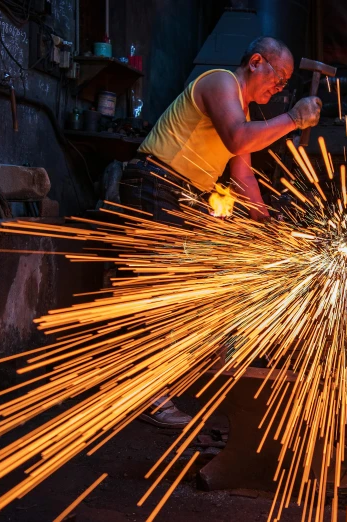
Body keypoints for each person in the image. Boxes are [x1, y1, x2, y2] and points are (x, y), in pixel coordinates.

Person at [120, 36, 322, 428]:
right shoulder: (219, 83)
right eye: (278, 79)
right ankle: (146, 394)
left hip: (179, 194)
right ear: (256, 61)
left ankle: (154, 385)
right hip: (155, 183)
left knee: (181, 290)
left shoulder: (242, 108)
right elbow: (236, 138)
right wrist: (293, 118)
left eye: (283, 86)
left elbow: (242, 173)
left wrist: (267, 224)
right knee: (159, 294)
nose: (278, 89)